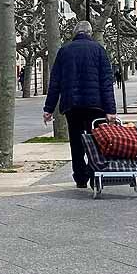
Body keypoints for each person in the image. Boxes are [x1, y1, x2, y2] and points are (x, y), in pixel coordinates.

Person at [43, 21, 118, 189]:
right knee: (96, 140)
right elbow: (107, 83)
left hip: (72, 105)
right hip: (95, 106)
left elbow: (55, 82)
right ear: (90, 33)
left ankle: (80, 177)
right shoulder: (99, 50)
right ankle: (94, 174)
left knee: (76, 142)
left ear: (75, 33)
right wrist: (110, 110)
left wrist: (48, 109)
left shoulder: (64, 51)